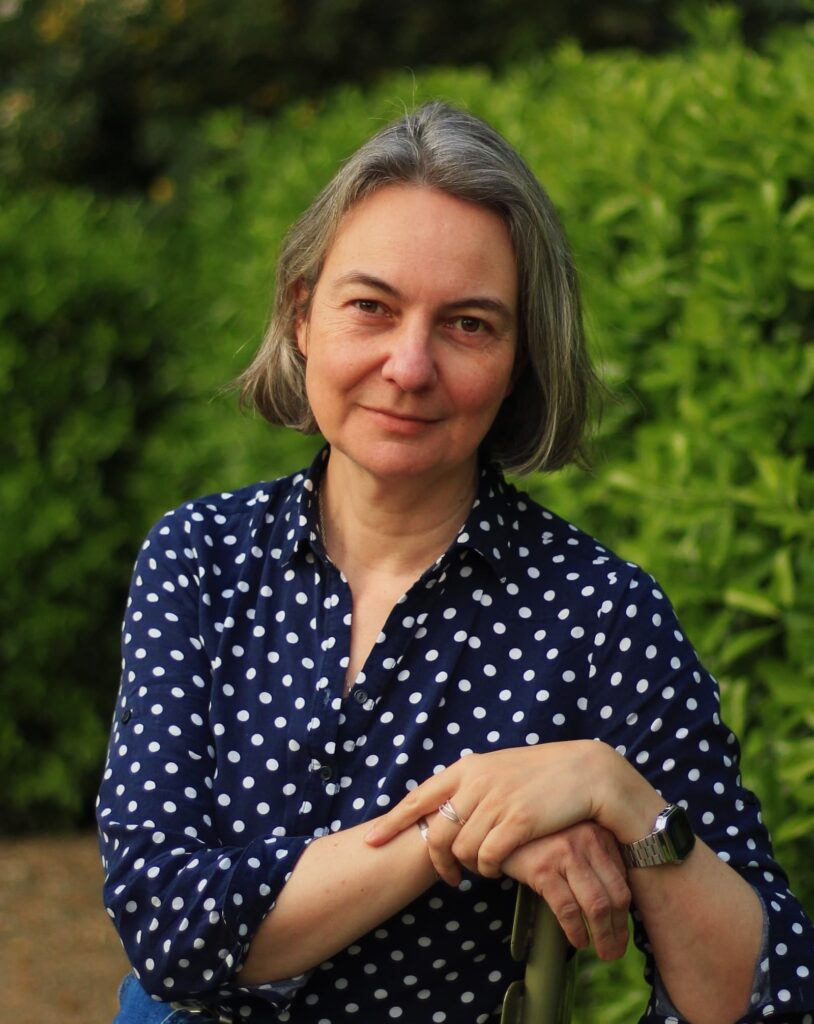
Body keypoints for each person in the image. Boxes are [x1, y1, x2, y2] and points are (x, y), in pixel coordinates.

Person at [97, 102, 814, 1024]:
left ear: (520, 361)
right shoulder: (200, 558)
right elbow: (168, 930)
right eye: (372, 306)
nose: (409, 364)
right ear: (301, 314)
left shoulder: (598, 614)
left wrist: (620, 797)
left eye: (469, 325)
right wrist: (456, 828)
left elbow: (765, 997)